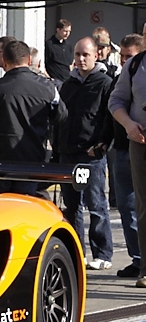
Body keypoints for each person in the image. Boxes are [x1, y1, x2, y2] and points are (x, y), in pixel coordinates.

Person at [0, 40, 66, 195]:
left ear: (4, 61)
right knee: (24, 212)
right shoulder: (48, 89)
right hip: (30, 165)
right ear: (29, 60)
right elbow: (62, 117)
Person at [58, 37, 114, 270]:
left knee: (96, 204)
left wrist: (101, 144)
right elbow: (59, 116)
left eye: (86, 55)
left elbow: (107, 117)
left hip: (91, 154)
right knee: (71, 206)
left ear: (96, 56)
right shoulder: (67, 85)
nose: (81, 59)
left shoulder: (104, 83)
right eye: (78, 54)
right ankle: (77, 252)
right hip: (68, 152)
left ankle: (102, 253)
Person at [109, 32, 146, 287]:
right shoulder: (135, 65)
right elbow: (116, 100)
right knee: (143, 208)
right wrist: (129, 124)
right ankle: (145, 268)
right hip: (140, 143)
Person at [45, 19, 74, 85]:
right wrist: (50, 79)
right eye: (65, 31)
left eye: (69, 31)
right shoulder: (49, 44)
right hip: (55, 81)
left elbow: (70, 64)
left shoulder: (68, 45)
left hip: (67, 80)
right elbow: (45, 63)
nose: (67, 34)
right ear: (58, 30)